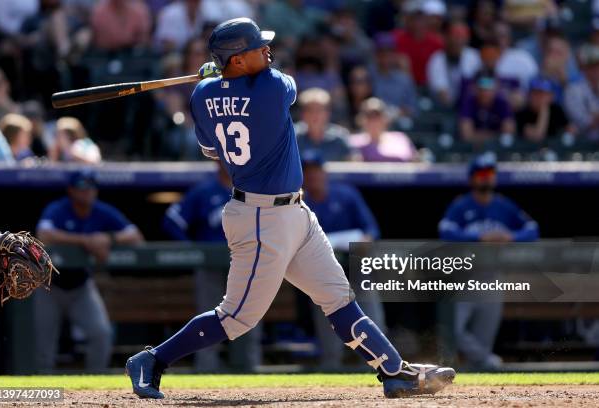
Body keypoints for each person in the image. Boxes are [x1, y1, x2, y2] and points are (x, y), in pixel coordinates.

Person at [125, 17, 455, 400]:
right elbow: (290, 85)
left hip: (294, 213)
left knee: (337, 296)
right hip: (262, 218)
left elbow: (212, 147)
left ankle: (395, 372)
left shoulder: (200, 95)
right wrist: (224, 78)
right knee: (236, 317)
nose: (267, 50)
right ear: (236, 59)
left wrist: (216, 82)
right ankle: (152, 359)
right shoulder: (270, 87)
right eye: (256, 48)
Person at [35, 169, 144, 373]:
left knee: (101, 334)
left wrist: (108, 239)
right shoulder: (59, 209)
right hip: (48, 285)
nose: (87, 192)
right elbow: (43, 234)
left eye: (91, 187)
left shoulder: (101, 211)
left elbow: (136, 236)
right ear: (71, 190)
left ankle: (95, 384)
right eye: (82, 188)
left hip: (81, 286)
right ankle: (43, 395)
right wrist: (84, 241)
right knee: (43, 347)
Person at [438, 154, 539, 370]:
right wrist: (478, 238)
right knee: (452, 331)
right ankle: (484, 360)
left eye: (490, 174)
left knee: (483, 341)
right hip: (463, 278)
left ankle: (480, 380)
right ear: (472, 178)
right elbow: (445, 231)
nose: (486, 179)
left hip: (492, 279)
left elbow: (532, 229)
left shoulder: (504, 206)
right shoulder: (461, 205)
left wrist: (511, 237)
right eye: (481, 174)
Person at [162, 164, 262, 371]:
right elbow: (172, 220)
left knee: (250, 316)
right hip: (211, 266)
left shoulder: (255, 190)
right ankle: (207, 369)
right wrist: (193, 250)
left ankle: (251, 369)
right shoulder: (205, 190)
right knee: (210, 315)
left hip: (245, 263)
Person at [300, 150, 387, 370]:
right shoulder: (298, 204)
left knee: (370, 313)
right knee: (328, 320)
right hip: (324, 271)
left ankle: (378, 363)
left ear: (324, 173)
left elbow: (371, 231)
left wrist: (365, 240)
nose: (313, 177)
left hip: (354, 265)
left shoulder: (345, 194)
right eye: (308, 173)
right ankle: (332, 364)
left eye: (316, 171)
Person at [427, 21, 482, 108]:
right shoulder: (437, 59)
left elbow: (479, 84)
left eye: (462, 37)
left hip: (469, 106)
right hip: (442, 108)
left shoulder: (473, 56)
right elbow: (442, 93)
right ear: (447, 38)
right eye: (456, 37)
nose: (458, 41)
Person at [349, 97, 418, 162]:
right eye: (369, 116)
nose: (374, 121)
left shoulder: (400, 138)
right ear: (361, 120)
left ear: (385, 119)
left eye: (377, 116)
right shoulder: (353, 142)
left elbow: (414, 161)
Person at [295, 87, 353, 161]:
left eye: (319, 110)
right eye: (310, 110)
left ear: (328, 113)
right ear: (302, 114)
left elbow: (351, 165)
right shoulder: (293, 137)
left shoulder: (340, 138)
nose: (314, 114)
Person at [459, 72, 515, 145]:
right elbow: (466, 134)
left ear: (495, 88)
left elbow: (508, 132)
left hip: (498, 149)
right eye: (482, 89)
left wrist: (479, 136)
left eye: (489, 89)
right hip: (474, 149)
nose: (485, 93)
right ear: (476, 88)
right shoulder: (469, 102)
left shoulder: (502, 103)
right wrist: (496, 136)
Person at [516, 77, 575, 143]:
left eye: (543, 94)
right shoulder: (522, 113)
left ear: (551, 96)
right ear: (529, 95)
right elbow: (537, 135)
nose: (539, 97)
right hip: (528, 151)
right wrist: (544, 111)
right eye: (535, 93)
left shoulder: (557, 110)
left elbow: (571, 130)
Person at [564, 44, 599, 141]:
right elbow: (584, 122)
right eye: (592, 66)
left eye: (598, 66)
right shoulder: (573, 90)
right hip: (582, 144)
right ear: (584, 68)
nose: (596, 70)